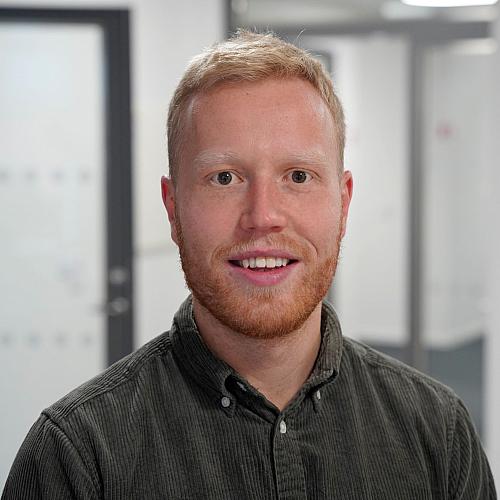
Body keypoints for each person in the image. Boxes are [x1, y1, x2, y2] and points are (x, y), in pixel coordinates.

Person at [2, 30, 496, 500]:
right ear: (173, 209)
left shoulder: (439, 434)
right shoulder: (75, 459)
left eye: (298, 176)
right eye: (224, 178)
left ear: (343, 204)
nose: (263, 216)